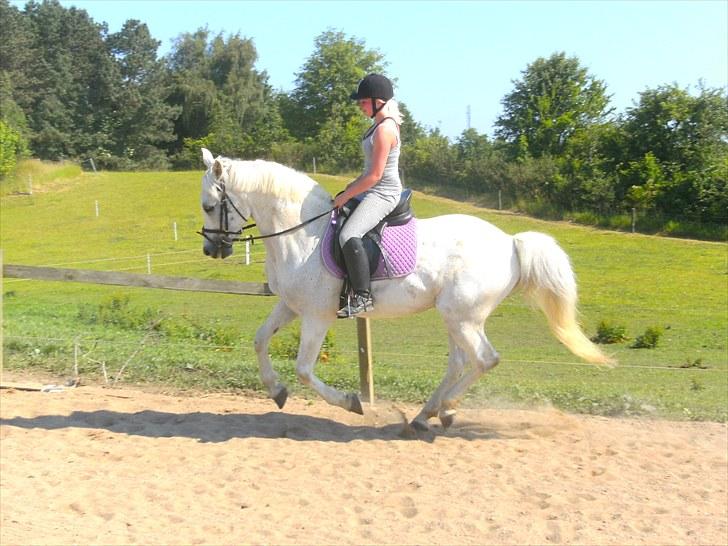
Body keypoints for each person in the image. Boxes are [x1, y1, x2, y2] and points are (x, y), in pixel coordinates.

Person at [333, 73, 404, 318]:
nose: (359, 105)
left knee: (349, 234)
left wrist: (346, 195)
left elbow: (374, 176)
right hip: (371, 189)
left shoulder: (385, 130)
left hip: (383, 193)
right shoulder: (376, 126)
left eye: (363, 101)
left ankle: (363, 297)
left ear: (379, 101)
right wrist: (347, 190)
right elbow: (366, 174)